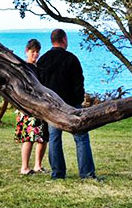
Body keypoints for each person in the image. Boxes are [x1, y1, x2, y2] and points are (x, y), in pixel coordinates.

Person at [37, 29, 96, 179]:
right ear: (64, 39)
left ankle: (57, 173)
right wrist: (78, 101)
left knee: (54, 138)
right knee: (81, 137)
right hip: (71, 104)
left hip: (52, 106)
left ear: (52, 40)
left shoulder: (43, 60)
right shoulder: (71, 59)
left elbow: (39, 85)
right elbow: (78, 83)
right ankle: (86, 173)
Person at [14, 39, 47, 174]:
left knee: (43, 137)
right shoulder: (24, 68)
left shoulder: (38, 68)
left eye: (37, 52)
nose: (35, 54)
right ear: (27, 51)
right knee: (29, 138)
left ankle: (38, 165)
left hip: (41, 106)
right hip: (28, 107)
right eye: (33, 51)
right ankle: (24, 167)